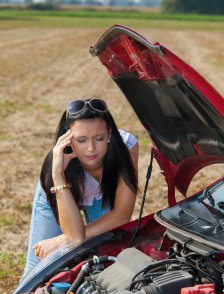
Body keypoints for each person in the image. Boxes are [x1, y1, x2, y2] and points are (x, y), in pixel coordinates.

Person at [22, 98, 138, 277]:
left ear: (109, 134)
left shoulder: (127, 147)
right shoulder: (54, 167)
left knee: (104, 261)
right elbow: (76, 235)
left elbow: (121, 215)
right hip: (59, 194)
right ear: (67, 139)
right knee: (38, 271)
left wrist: (61, 241)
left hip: (102, 196)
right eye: (81, 140)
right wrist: (58, 176)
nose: (91, 149)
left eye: (99, 138)